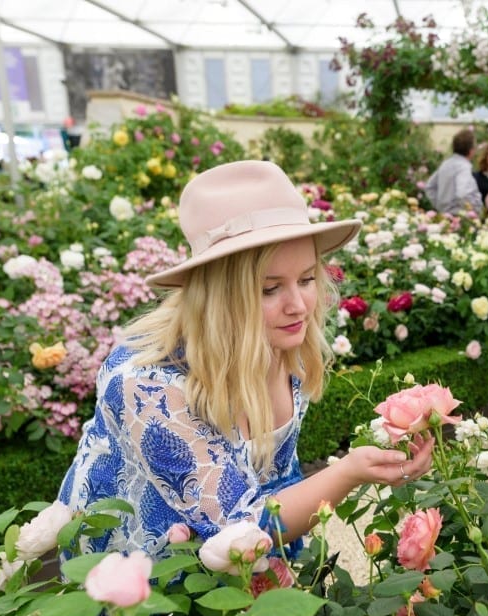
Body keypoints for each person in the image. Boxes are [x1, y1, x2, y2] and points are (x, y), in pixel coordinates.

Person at [57, 160, 435, 564]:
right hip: (142, 575)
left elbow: (273, 483)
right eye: (270, 288)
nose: (299, 306)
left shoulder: (281, 342)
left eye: (307, 279)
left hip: (246, 557)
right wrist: (349, 472)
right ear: (219, 296)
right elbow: (235, 526)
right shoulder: (149, 384)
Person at [424, 128, 483, 217]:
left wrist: (440, 206)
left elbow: (429, 187)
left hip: (444, 215)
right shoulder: (464, 167)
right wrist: (472, 209)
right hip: (459, 216)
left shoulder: (446, 164)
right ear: (471, 150)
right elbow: (462, 193)